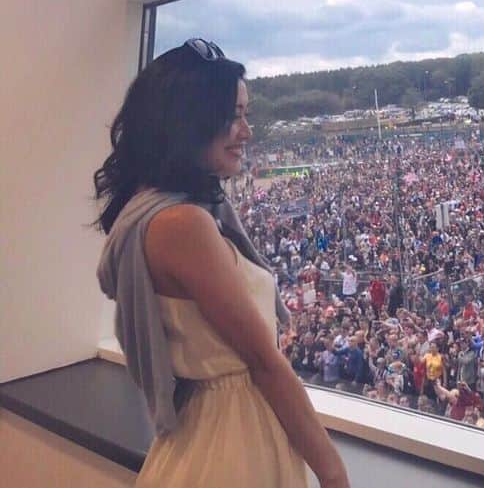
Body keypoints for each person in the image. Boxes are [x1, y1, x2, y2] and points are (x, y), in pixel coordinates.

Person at [94, 39, 348, 487]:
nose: (247, 131)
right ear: (188, 122)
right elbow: (264, 362)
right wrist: (333, 471)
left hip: (218, 433)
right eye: (233, 116)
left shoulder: (162, 213)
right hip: (233, 447)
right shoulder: (183, 225)